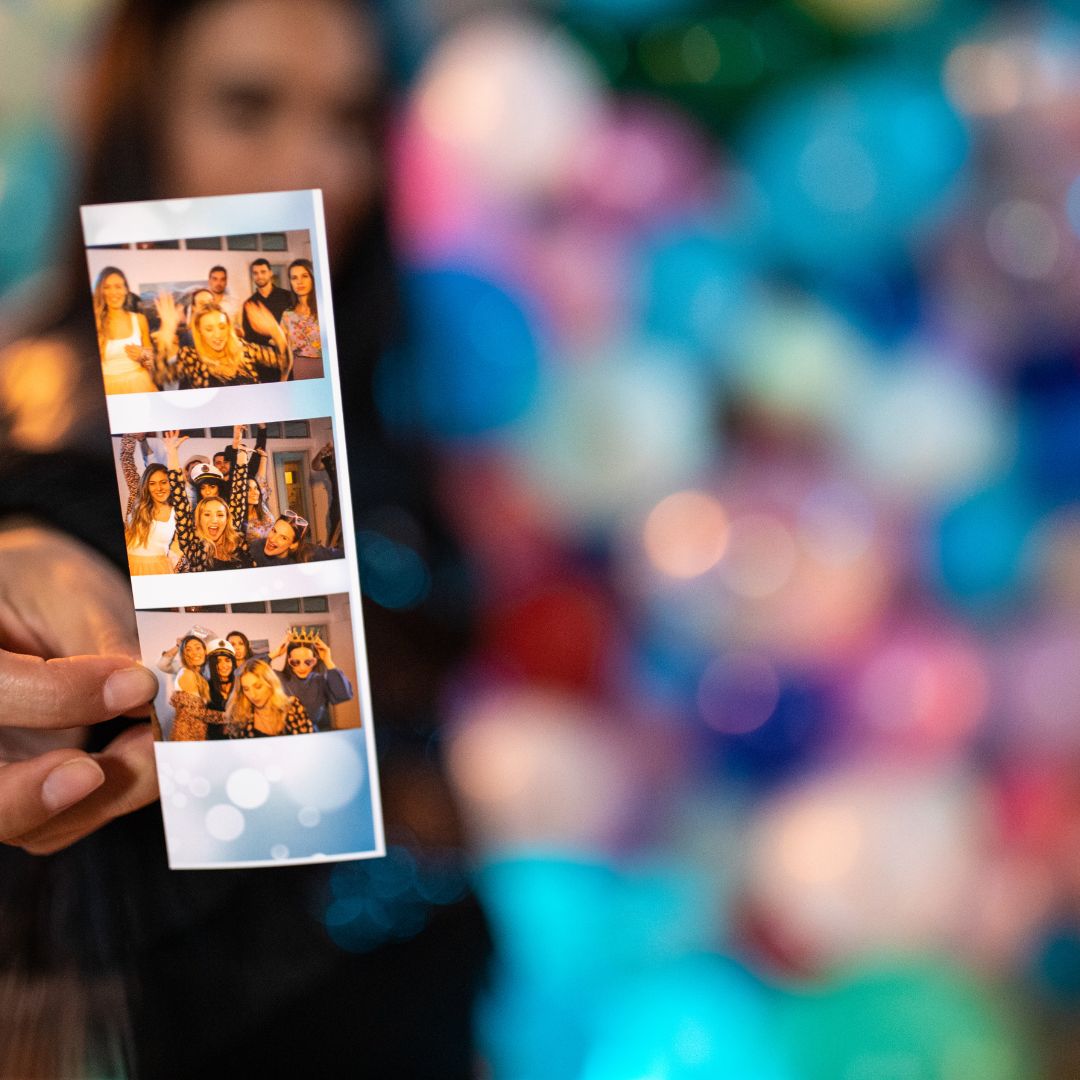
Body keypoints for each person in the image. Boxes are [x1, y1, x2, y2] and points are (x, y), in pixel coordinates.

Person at [0, 2, 485, 1075]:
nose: (319, 166)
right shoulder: (80, 400)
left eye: (352, 117)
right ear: (133, 122)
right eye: (245, 104)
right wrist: (43, 582)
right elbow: (55, 537)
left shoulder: (370, 390)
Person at [156, 295, 290, 388]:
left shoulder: (244, 349)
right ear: (200, 331)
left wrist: (276, 332)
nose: (217, 335)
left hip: (250, 428)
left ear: (228, 327)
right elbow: (162, 376)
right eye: (209, 329)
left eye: (221, 327)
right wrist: (166, 331)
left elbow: (284, 363)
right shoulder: (191, 357)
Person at [165, 429, 251, 572]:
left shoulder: (235, 535)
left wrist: (239, 446)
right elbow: (179, 499)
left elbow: (240, 490)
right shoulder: (193, 544)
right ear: (198, 518)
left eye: (220, 514)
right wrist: (172, 453)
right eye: (206, 514)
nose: (214, 520)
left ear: (227, 517)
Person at [271, 632, 354, 732]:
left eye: (308, 662)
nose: (302, 667)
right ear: (289, 660)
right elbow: (250, 669)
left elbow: (343, 695)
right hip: (282, 736)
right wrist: (275, 654)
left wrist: (328, 660)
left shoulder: (320, 681)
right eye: (295, 662)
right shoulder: (277, 678)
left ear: (315, 660)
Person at [94, 266, 158, 395]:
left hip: (139, 385)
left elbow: (151, 363)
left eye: (118, 286)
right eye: (106, 287)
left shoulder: (140, 319)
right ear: (100, 291)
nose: (113, 292)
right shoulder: (96, 323)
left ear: (126, 290)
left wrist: (143, 356)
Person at [120, 433, 176, 575]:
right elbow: (126, 461)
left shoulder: (178, 510)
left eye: (164, 482)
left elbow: (181, 547)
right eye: (152, 484)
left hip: (161, 570)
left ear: (171, 483)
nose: (159, 488)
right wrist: (130, 435)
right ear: (146, 486)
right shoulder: (136, 498)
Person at [225, 658, 313, 738]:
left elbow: (307, 745)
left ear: (270, 684)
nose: (253, 695)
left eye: (258, 686)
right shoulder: (239, 719)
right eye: (246, 689)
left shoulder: (293, 707)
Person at [249, 509, 342, 567]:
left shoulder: (309, 553)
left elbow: (341, 555)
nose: (272, 539)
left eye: (283, 538)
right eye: (274, 531)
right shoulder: (255, 549)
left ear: (294, 545)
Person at [280, 258, 322, 380]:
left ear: (313, 278)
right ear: (290, 283)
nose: (299, 282)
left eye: (304, 276)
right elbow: (284, 350)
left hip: (326, 366)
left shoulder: (323, 308)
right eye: (294, 278)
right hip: (301, 369)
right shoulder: (287, 315)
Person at [243, 258, 291, 347]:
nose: (259, 276)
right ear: (252, 276)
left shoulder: (288, 296)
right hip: (263, 356)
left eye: (263, 272)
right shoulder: (249, 304)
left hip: (288, 351)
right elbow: (248, 337)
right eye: (255, 273)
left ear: (270, 273)